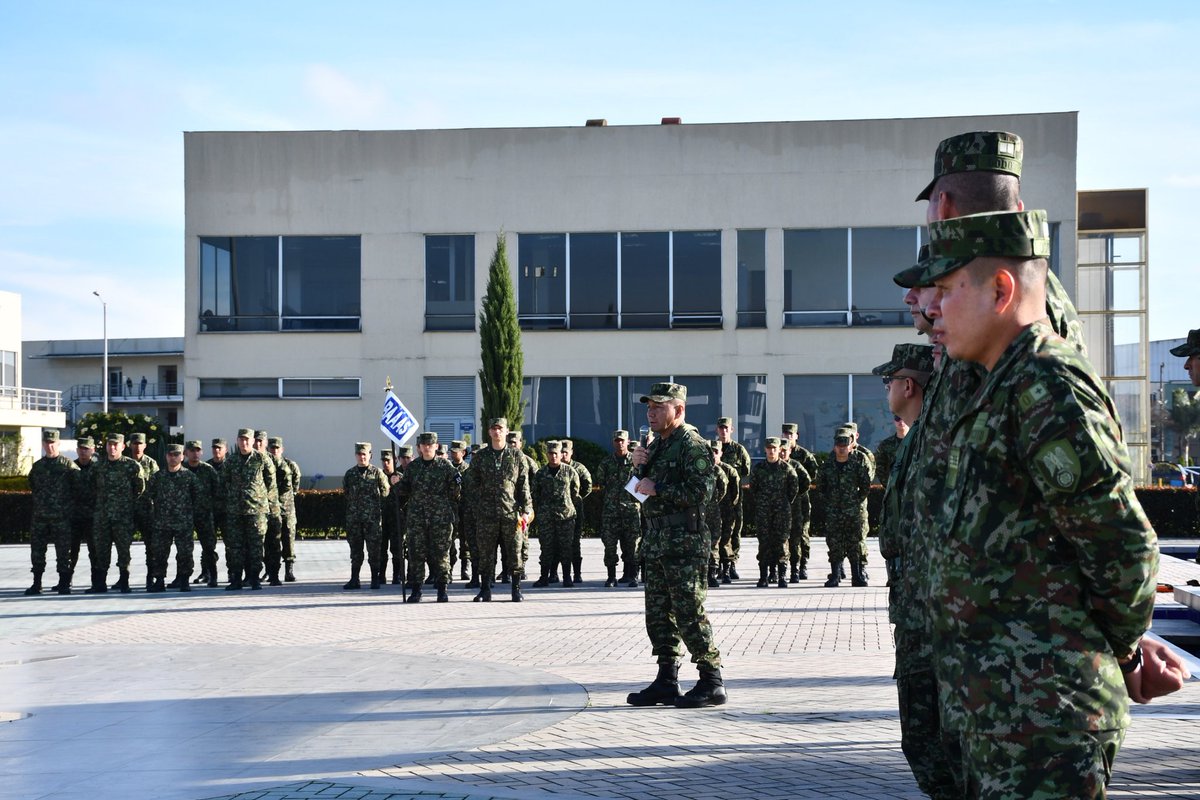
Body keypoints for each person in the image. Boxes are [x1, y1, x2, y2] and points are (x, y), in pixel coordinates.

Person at [918, 209, 1169, 797]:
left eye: (948, 289)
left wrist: (1126, 652)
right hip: (999, 708)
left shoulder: (1045, 384)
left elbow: (1123, 547)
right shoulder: (997, 383)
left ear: (1001, 290)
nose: (932, 307)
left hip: (1045, 715)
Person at [871, 343, 944, 796]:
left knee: (930, 736)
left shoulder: (932, 439)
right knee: (921, 735)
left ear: (908, 385)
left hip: (930, 609)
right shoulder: (916, 438)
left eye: (889, 381)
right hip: (914, 603)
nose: (887, 389)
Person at [627, 382, 726, 708]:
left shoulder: (691, 445)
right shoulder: (657, 446)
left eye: (658, 407)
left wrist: (659, 488)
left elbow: (702, 493)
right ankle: (667, 680)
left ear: (678, 410)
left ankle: (711, 680)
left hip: (684, 543)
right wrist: (636, 467)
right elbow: (637, 494)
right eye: (649, 407)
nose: (651, 413)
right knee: (658, 616)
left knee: (689, 613)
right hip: (656, 542)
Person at [468, 418, 532, 602]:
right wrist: (478, 507)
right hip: (486, 514)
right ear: (489, 432)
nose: (497, 432)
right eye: (493, 428)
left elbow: (523, 485)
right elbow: (471, 485)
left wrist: (526, 510)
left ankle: (516, 589)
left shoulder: (517, 456)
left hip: (510, 513)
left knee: (514, 553)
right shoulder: (481, 457)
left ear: (506, 431)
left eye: (500, 428)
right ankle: (485, 589)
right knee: (486, 554)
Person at [397, 432, 460, 602]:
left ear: (436, 446)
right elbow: (404, 490)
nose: (426, 447)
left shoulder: (445, 466)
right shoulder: (413, 467)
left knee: (441, 554)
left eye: (430, 444)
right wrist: (397, 484)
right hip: (417, 517)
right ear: (419, 447)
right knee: (416, 553)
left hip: (440, 518)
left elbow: (456, 490)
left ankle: (442, 589)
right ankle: (416, 590)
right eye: (423, 445)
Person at [815, 429, 873, 588]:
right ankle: (835, 575)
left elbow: (866, 485)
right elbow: (821, 487)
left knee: (856, 543)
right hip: (834, 511)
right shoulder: (828, 465)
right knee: (834, 543)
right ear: (834, 446)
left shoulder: (858, 462)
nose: (841, 448)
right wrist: (830, 503)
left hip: (854, 512)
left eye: (845, 445)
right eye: (839, 445)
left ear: (850, 446)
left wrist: (856, 501)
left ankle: (857, 576)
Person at [88, 433, 145, 593]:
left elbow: (139, 489)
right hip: (102, 516)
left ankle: (124, 582)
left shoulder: (132, 466)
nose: (112, 448)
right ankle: (100, 583)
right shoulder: (98, 466)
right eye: (109, 445)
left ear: (122, 446)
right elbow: (91, 487)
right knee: (101, 550)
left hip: (123, 516)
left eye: (115, 445)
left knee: (123, 550)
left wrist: (125, 504)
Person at [26, 430, 80, 595]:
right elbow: (33, 485)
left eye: (53, 443)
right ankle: (37, 583)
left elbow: (78, 489)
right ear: (43, 444)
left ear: (58, 444)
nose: (50, 446)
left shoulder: (68, 466)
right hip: (40, 517)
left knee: (64, 552)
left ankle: (64, 583)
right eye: (47, 443)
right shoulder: (38, 466)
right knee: (37, 551)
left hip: (61, 517)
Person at [222, 428, 276, 591]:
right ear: (237, 441)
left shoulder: (262, 459)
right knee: (236, 546)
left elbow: (271, 483)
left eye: (247, 440)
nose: (244, 443)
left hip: (257, 511)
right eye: (241, 440)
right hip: (235, 510)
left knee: (256, 546)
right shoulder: (231, 461)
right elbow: (224, 481)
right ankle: (237, 579)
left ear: (253, 441)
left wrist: (269, 506)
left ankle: (254, 578)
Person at [145, 444, 199, 592]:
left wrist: (190, 515)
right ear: (166, 456)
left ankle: (184, 580)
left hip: (183, 522)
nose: (173, 457)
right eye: (170, 454)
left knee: (185, 553)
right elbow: (148, 497)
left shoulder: (189, 477)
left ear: (182, 456)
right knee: (160, 553)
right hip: (162, 522)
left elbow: (198, 499)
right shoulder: (158, 477)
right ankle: (159, 580)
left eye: (176, 454)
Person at [594, 429, 642, 588]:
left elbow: (643, 480)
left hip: (631, 511)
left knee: (632, 544)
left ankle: (632, 576)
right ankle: (611, 577)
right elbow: (600, 482)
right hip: (611, 511)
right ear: (613, 442)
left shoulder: (636, 462)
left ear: (628, 442)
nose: (619, 443)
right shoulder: (606, 463)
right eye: (617, 440)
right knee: (610, 544)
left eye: (622, 440)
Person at [749, 437, 798, 589]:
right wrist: (763, 502)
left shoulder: (787, 469)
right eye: (769, 448)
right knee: (764, 543)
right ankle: (764, 576)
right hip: (763, 512)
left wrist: (783, 503)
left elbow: (793, 489)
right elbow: (754, 489)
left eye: (774, 449)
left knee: (782, 542)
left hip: (782, 512)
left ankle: (782, 576)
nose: (771, 451)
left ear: (779, 450)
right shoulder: (758, 469)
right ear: (765, 449)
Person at [531, 441, 582, 588]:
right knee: (546, 548)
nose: (553, 456)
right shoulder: (541, 473)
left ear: (561, 454)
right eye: (550, 453)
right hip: (546, 517)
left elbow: (575, 493)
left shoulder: (570, 472)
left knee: (566, 548)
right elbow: (536, 494)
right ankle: (544, 577)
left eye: (556, 454)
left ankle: (567, 577)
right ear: (547, 454)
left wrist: (566, 506)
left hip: (565, 517)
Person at [342, 442, 390, 590]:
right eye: (359, 454)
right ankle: (354, 579)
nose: (362, 457)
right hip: (354, 519)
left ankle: (375, 579)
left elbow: (385, 492)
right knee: (355, 551)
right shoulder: (350, 474)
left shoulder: (377, 473)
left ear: (370, 455)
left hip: (372, 520)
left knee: (374, 550)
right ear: (355, 455)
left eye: (364, 454)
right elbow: (346, 492)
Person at [714, 416, 750, 579]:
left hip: (733, 500)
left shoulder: (739, 450)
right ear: (717, 430)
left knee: (734, 532)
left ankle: (731, 563)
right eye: (721, 428)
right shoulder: (712, 448)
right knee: (717, 533)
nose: (723, 431)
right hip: (715, 503)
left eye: (726, 428)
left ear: (731, 430)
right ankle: (717, 564)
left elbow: (745, 472)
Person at [782, 423, 818, 581]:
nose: (788, 437)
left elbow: (813, 474)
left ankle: (802, 565)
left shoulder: (804, 455)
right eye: (786, 434)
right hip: (782, 502)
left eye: (791, 434)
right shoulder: (777, 452)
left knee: (801, 534)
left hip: (801, 500)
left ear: (796, 436)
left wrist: (799, 491)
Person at [183, 440, 221, 587]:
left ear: (202, 452)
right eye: (192, 450)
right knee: (185, 548)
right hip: (185, 515)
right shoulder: (182, 469)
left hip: (204, 515)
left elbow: (217, 491)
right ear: (186, 453)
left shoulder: (208, 470)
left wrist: (211, 508)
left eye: (198, 450)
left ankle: (213, 575)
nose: (195, 453)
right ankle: (183, 577)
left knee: (209, 547)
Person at [254, 430, 288, 586]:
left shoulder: (274, 461)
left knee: (273, 544)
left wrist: (277, 502)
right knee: (254, 544)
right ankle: (252, 575)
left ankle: (274, 574)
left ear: (266, 443)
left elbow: (287, 484)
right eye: (256, 441)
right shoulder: (249, 460)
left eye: (261, 441)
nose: (257, 444)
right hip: (254, 510)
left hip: (273, 508)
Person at [127, 432, 158, 591]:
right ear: (130, 445)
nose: (137, 446)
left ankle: (150, 577)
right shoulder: (125, 463)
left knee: (151, 546)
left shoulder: (151, 464)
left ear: (145, 445)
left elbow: (158, 486)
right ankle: (123, 577)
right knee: (123, 546)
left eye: (140, 443)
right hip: (128, 511)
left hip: (147, 511)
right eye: (135, 443)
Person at [268, 437, 302, 582]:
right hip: (271, 509)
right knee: (272, 541)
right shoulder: (266, 464)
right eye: (272, 448)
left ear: (282, 449)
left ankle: (289, 570)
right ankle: (273, 573)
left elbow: (294, 485)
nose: (275, 451)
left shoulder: (289, 465)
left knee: (288, 540)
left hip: (287, 509)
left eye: (277, 448)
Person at [67, 436, 97, 592]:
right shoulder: (71, 468)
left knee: (95, 551)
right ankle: (66, 581)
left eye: (87, 448)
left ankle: (96, 582)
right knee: (71, 551)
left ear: (93, 450)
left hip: (93, 517)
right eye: (81, 448)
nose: (83, 451)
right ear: (77, 450)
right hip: (74, 516)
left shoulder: (98, 468)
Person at [561, 439, 592, 585]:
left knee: (574, 543)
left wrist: (576, 498)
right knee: (556, 543)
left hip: (575, 511)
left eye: (566, 452)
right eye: (561, 452)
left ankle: (577, 574)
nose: (563, 455)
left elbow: (588, 486)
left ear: (571, 453)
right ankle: (554, 574)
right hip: (558, 511)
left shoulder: (579, 468)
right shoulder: (555, 468)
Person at [874, 415, 909, 487]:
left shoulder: (918, 442)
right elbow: (879, 467)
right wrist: (889, 485)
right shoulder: (886, 444)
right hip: (894, 489)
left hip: (914, 489)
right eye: (898, 418)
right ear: (894, 421)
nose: (901, 421)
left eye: (904, 418)